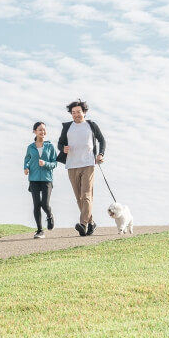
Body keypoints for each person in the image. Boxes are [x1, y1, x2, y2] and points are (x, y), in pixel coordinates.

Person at [57, 99, 105, 236]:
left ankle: (83, 224)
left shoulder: (91, 125)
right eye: (73, 113)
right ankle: (91, 223)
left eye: (78, 112)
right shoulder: (67, 127)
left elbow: (102, 140)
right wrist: (63, 148)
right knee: (79, 197)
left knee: (86, 195)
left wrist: (100, 154)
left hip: (88, 164)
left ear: (84, 112)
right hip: (72, 165)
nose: (76, 114)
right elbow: (60, 144)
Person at [24, 121, 57, 239]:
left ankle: (49, 215)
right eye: (40, 130)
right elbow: (27, 159)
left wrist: (45, 163)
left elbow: (54, 163)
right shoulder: (30, 147)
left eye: (44, 129)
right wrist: (26, 168)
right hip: (33, 179)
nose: (42, 132)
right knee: (36, 204)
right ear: (34, 131)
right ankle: (39, 230)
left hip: (47, 179)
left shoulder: (50, 146)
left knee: (45, 204)